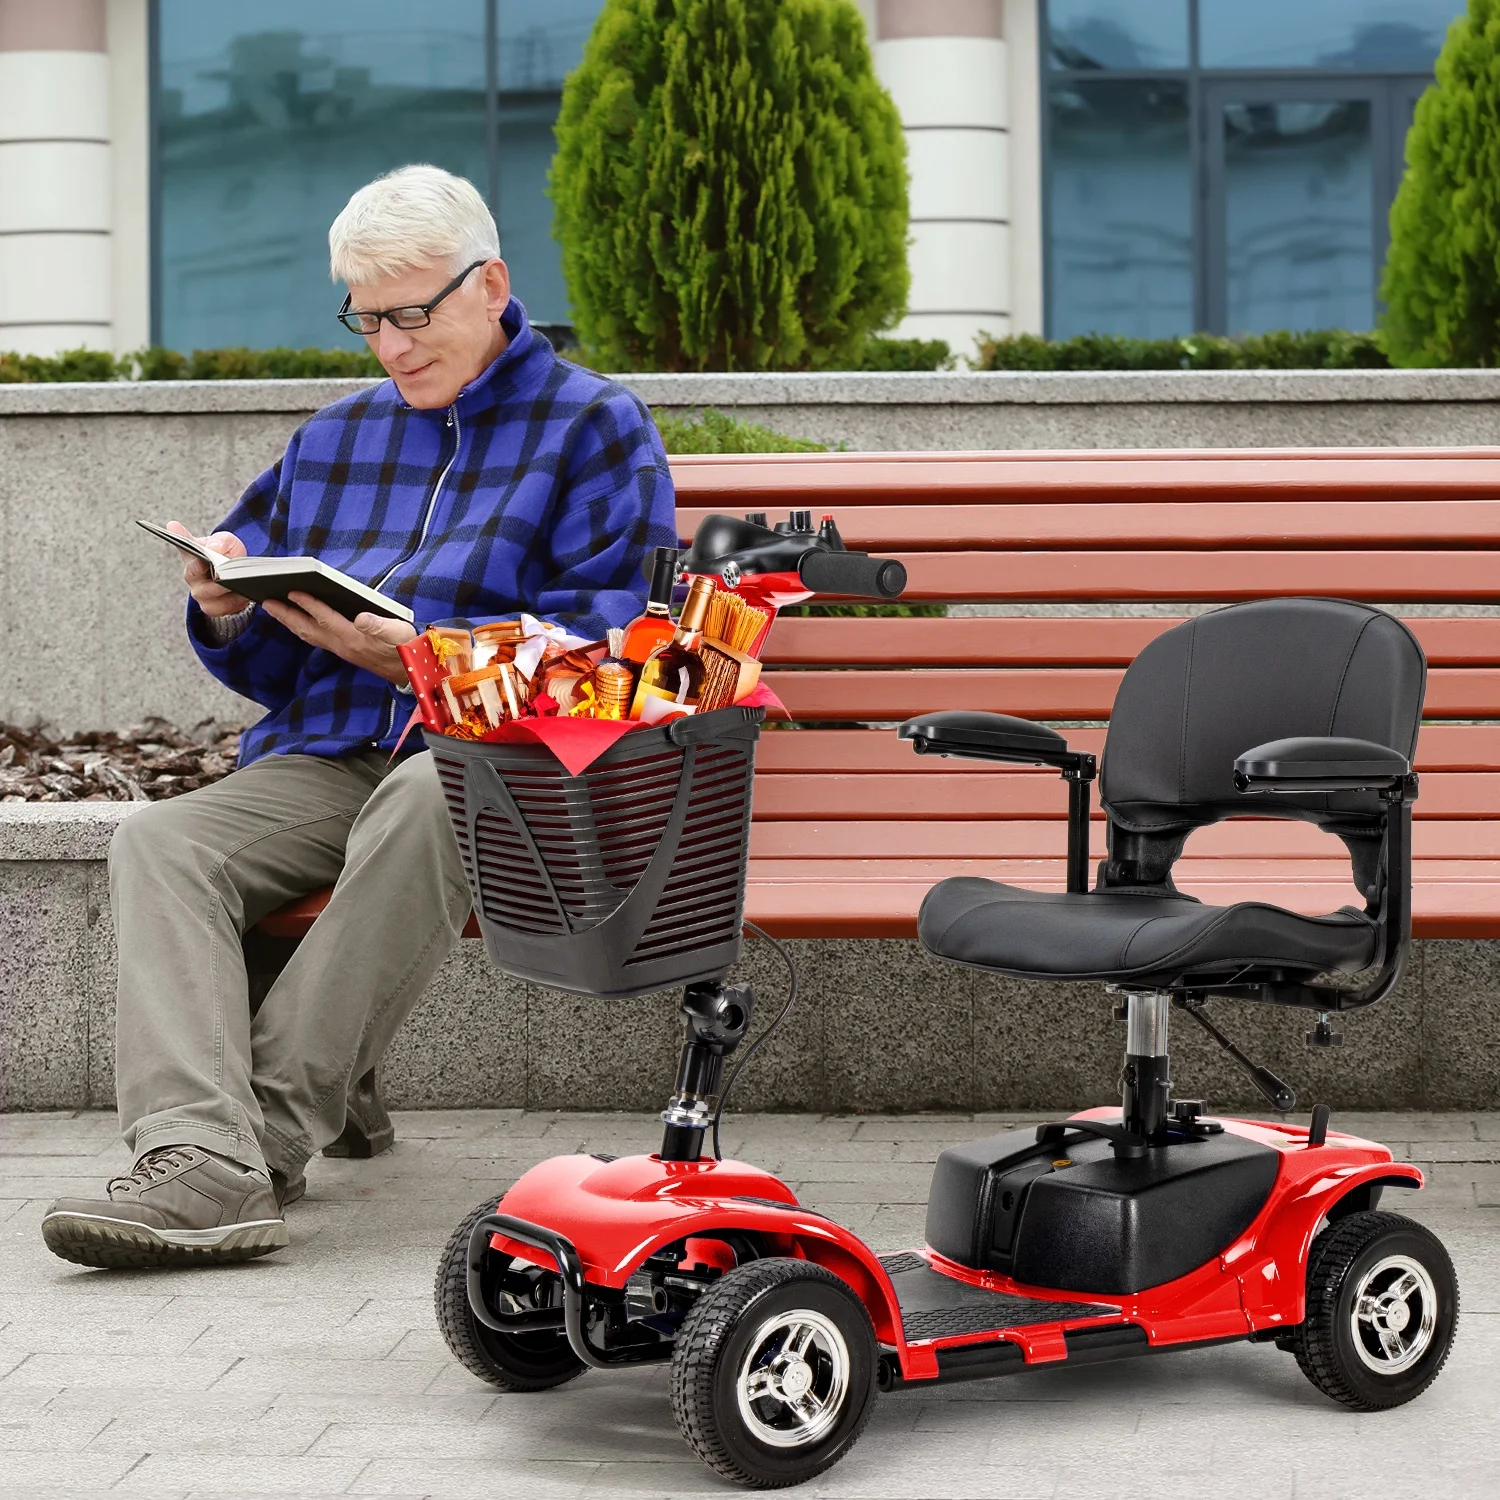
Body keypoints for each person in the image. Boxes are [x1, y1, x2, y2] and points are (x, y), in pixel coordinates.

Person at [41, 165, 678, 1269]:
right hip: (333, 754)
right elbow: (269, 664)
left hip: (501, 761)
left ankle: (246, 1154)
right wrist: (227, 606)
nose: (390, 345)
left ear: (493, 284)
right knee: (161, 842)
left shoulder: (595, 427)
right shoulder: (334, 440)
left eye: (413, 313)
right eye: (367, 317)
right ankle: (199, 1142)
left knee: (432, 795)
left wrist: (427, 659)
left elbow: (617, 642)